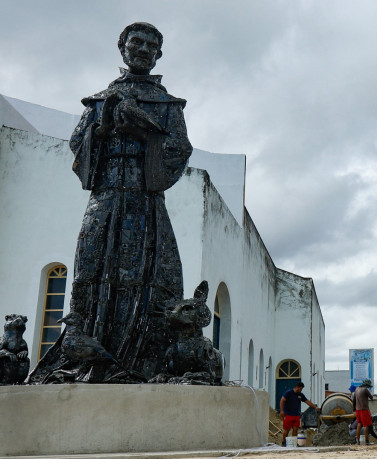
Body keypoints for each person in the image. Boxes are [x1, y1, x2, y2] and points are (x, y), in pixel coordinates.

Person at [29, 22, 193, 384]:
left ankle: (143, 359)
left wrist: (143, 135)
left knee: (151, 272)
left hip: (145, 199)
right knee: (93, 263)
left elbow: (179, 149)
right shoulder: (98, 101)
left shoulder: (169, 105)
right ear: (123, 48)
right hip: (105, 195)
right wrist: (102, 130)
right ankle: (90, 354)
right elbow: (78, 145)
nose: (143, 49)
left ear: (158, 55)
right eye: (137, 42)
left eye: (151, 45)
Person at [280, 381, 319, 446]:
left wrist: (315, 407)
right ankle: (284, 442)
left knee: (295, 429)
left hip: (296, 415)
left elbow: (307, 401)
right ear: (297, 387)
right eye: (301, 389)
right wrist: (282, 411)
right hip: (288, 414)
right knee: (287, 430)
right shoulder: (288, 393)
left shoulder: (300, 395)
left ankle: (294, 442)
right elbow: (282, 400)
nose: (301, 390)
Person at [352, 378, 377, 444]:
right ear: (366, 385)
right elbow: (371, 397)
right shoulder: (365, 389)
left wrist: (354, 409)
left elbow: (354, 401)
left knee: (359, 424)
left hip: (357, 410)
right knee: (366, 425)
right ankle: (367, 441)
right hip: (364, 410)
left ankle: (358, 441)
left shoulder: (356, 389)